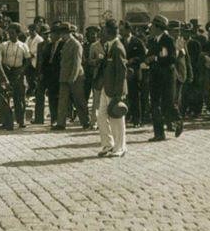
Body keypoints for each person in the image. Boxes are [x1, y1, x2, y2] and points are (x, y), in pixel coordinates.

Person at [146, 15, 183, 141]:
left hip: (166, 76)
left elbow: (172, 58)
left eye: (153, 26)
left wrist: (155, 58)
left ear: (158, 27)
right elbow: (149, 55)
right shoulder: (152, 40)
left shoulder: (168, 40)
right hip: (154, 76)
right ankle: (159, 133)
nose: (150, 28)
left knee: (168, 103)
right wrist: (147, 59)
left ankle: (178, 121)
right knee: (155, 105)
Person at [97, 19, 128, 158]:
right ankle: (107, 144)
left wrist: (119, 93)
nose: (101, 32)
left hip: (114, 89)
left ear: (109, 32)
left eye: (103, 30)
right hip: (106, 87)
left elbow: (122, 72)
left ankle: (120, 147)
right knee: (101, 116)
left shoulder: (117, 47)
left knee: (116, 117)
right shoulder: (109, 46)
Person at [54, 22, 90, 130]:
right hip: (64, 76)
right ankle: (61, 123)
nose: (61, 35)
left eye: (63, 33)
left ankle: (85, 121)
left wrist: (72, 78)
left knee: (79, 100)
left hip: (76, 77)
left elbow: (77, 63)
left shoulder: (76, 44)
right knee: (63, 101)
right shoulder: (64, 43)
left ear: (68, 33)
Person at [0, 23, 30, 128]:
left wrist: (21, 70)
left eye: (13, 33)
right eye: (9, 33)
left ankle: (21, 120)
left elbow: (28, 61)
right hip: (7, 72)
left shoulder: (23, 46)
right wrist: (4, 68)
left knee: (19, 98)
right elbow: (0, 59)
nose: (10, 35)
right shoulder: (3, 45)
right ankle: (5, 122)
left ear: (17, 33)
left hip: (18, 73)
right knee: (5, 98)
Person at [120, 22, 146, 127]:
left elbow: (143, 56)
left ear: (128, 30)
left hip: (134, 73)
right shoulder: (119, 42)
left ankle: (137, 120)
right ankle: (125, 118)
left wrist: (133, 60)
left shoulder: (137, 42)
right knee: (124, 97)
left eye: (122, 30)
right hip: (122, 73)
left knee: (135, 96)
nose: (120, 32)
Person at [25, 23, 43, 101]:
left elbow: (35, 52)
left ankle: (34, 94)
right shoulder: (28, 38)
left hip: (35, 62)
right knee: (29, 78)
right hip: (28, 62)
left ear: (35, 31)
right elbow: (25, 48)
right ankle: (31, 93)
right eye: (30, 30)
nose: (30, 32)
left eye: (32, 30)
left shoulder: (39, 39)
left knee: (34, 78)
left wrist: (29, 54)